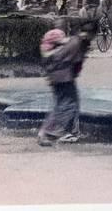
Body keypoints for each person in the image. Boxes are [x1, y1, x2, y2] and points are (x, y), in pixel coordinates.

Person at [37, 17, 97, 147]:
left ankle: (61, 132)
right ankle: (51, 132)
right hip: (62, 76)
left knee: (67, 104)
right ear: (91, 33)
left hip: (62, 76)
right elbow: (60, 57)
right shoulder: (77, 42)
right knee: (67, 105)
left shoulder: (78, 41)